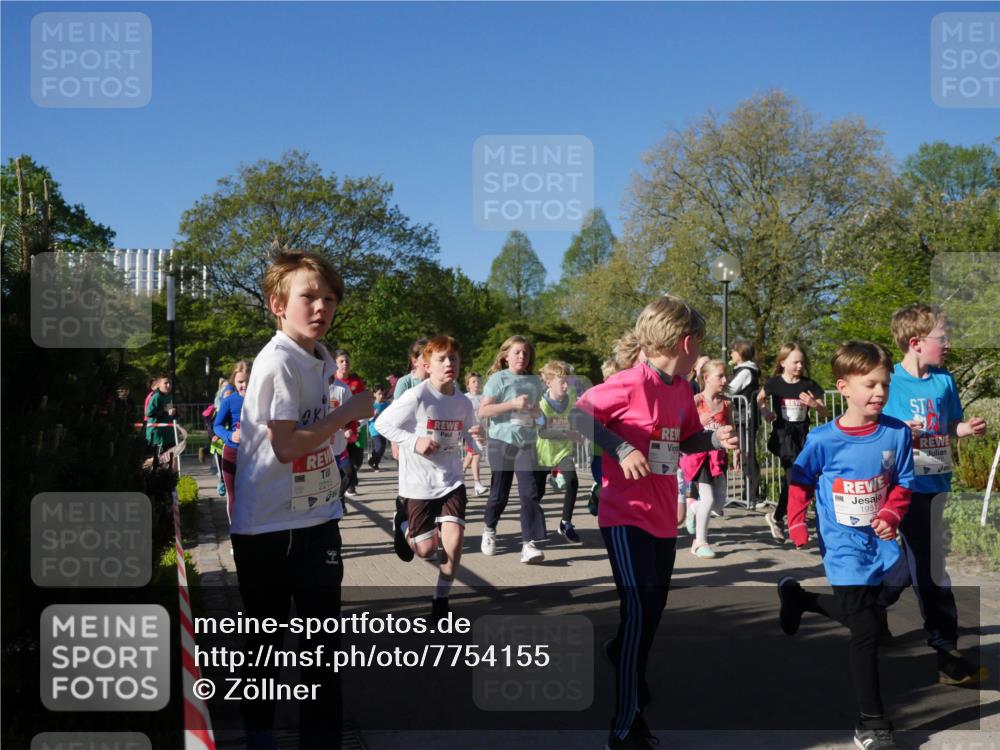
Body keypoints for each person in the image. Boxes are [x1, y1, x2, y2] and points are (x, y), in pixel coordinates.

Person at [574, 296, 738, 749]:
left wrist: (715, 438)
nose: (699, 353)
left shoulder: (682, 389)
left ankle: (621, 654)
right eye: (699, 345)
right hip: (624, 517)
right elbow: (577, 415)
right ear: (686, 343)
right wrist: (621, 448)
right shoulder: (627, 383)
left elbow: (687, 439)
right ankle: (625, 725)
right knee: (639, 610)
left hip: (664, 517)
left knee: (650, 616)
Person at [230, 249, 373, 750]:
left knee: (322, 648)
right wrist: (348, 413)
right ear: (277, 303)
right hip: (266, 529)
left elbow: (314, 437)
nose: (320, 307)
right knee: (265, 647)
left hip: (317, 520)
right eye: (308, 297)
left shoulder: (322, 355)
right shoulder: (277, 361)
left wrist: (334, 452)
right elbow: (287, 445)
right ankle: (260, 736)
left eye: (329, 298)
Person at [777, 341, 914, 750]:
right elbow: (800, 481)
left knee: (894, 589)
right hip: (844, 546)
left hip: (884, 543)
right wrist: (797, 523)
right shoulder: (823, 439)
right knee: (867, 628)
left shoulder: (897, 433)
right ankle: (871, 723)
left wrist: (891, 514)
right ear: (844, 387)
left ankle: (801, 599)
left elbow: (904, 482)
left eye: (884, 385)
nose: (879, 392)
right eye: (870, 384)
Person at [876, 304, 990, 686]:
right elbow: (872, 431)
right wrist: (897, 432)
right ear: (916, 343)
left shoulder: (944, 381)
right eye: (943, 338)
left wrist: (965, 429)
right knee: (932, 568)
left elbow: (949, 424)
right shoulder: (888, 383)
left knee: (914, 563)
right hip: (903, 488)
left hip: (937, 482)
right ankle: (946, 651)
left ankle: (870, 606)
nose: (949, 344)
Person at [374, 336, 480, 622]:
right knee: (425, 550)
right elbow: (382, 424)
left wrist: (478, 439)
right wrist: (414, 441)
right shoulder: (417, 396)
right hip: (418, 483)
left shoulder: (463, 402)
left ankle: (441, 600)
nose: (449, 364)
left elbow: (469, 434)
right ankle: (403, 523)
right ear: (427, 365)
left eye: (453, 359)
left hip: (451, 480)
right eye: (441, 359)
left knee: (455, 542)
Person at [478, 335, 549, 564]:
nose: (521, 356)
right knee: (500, 494)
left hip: (526, 442)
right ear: (506, 356)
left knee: (530, 493)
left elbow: (536, 409)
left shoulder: (535, 382)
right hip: (501, 441)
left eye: (525, 353)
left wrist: (539, 416)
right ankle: (489, 529)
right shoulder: (498, 379)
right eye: (517, 352)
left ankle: (529, 544)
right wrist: (512, 404)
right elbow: (483, 412)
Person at [759, 343, 828, 542]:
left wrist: (814, 405)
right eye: (795, 362)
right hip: (782, 437)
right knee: (794, 477)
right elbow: (760, 398)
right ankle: (794, 522)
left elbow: (824, 411)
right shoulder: (775, 383)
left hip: (801, 438)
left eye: (802, 362)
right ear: (783, 363)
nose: (799, 366)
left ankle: (776, 516)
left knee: (791, 480)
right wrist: (765, 412)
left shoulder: (808, 384)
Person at [680, 359, 734, 559]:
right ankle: (699, 542)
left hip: (718, 457)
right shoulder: (696, 400)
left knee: (718, 506)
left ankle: (693, 507)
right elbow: (682, 430)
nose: (724, 379)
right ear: (706, 378)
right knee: (709, 499)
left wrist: (736, 451)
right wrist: (698, 423)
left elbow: (731, 428)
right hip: (699, 455)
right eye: (720, 375)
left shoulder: (727, 403)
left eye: (725, 375)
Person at [389, 338, 430, 561]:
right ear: (415, 360)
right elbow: (396, 417)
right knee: (414, 490)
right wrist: (396, 444)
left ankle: (421, 531)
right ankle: (403, 520)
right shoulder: (406, 383)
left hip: (433, 449)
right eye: (426, 355)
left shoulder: (439, 381)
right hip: (409, 444)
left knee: (429, 490)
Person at [536, 360, 584, 544]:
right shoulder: (541, 405)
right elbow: (542, 431)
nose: (566, 385)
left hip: (563, 451)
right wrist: (567, 432)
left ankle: (566, 523)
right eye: (561, 382)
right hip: (543, 453)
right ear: (549, 382)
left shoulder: (571, 397)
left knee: (572, 481)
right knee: (536, 494)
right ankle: (534, 523)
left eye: (567, 381)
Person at [728, 339, 763, 509]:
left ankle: (752, 494)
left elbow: (731, 389)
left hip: (746, 418)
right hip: (743, 417)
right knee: (744, 453)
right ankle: (748, 493)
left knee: (747, 454)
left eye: (733, 351)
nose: (731, 354)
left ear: (741, 352)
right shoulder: (746, 370)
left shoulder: (746, 371)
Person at [214, 361, 249, 521]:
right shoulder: (229, 401)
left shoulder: (262, 399)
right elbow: (217, 426)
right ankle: (236, 538)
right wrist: (230, 435)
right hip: (232, 453)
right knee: (233, 496)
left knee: (253, 495)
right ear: (234, 381)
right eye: (240, 382)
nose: (244, 385)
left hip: (255, 454)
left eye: (248, 381)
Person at [334, 350, 367, 498]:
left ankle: (348, 484)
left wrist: (359, 423)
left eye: (347, 361)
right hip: (336, 431)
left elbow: (363, 404)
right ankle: (340, 496)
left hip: (354, 429)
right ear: (335, 363)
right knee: (341, 466)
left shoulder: (356, 382)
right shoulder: (330, 382)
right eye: (341, 361)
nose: (345, 364)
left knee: (357, 462)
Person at [461, 371, 489, 496]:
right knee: (476, 455)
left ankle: (459, 474)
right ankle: (477, 484)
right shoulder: (465, 398)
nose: (477, 383)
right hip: (470, 431)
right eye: (473, 381)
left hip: (482, 431)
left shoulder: (484, 397)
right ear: (468, 385)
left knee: (470, 456)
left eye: (478, 381)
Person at [144, 372, 177, 457]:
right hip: (156, 434)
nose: (169, 385)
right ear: (158, 385)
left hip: (167, 433)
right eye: (166, 383)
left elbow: (168, 410)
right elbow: (149, 413)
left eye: (170, 383)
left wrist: (174, 414)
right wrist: (165, 412)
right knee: (157, 459)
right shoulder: (156, 396)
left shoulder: (169, 396)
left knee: (170, 457)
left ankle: (170, 470)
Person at [367, 386, 389, 471]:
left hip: (384, 429)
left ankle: (375, 463)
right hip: (374, 429)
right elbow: (367, 418)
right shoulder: (371, 405)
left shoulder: (386, 405)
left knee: (383, 448)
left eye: (382, 394)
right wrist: (373, 416)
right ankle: (371, 461)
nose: (381, 396)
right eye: (379, 394)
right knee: (379, 445)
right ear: (374, 394)